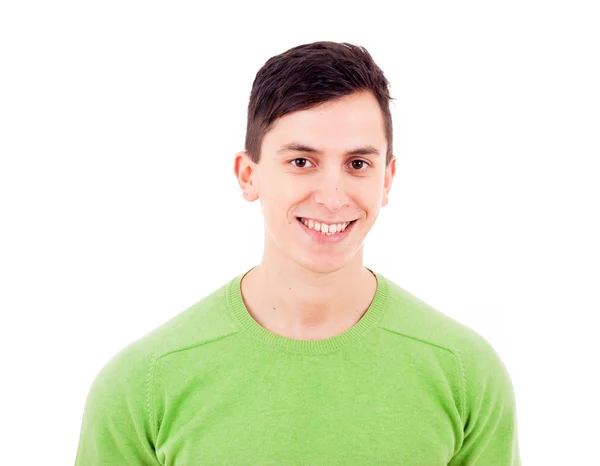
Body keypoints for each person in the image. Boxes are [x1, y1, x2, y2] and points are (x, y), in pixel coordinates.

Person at [74, 41, 520, 465]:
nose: (332, 196)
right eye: (302, 162)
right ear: (248, 175)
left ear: (387, 179)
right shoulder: (142, 384)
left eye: (358, 164)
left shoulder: (465, 373)